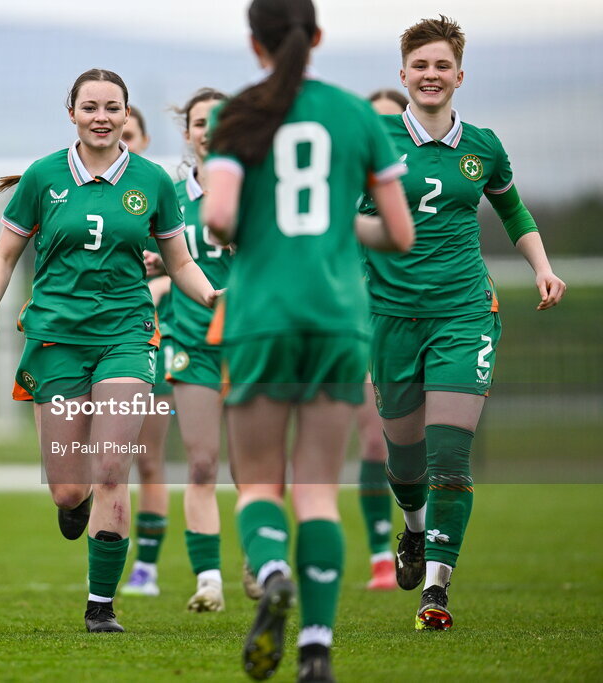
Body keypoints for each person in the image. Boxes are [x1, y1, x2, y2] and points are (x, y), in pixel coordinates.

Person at [202, 0, 414, 677]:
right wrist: (332, 229)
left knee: (261, 482)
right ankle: (316, 645)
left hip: (261, 315)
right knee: (318, 488)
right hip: (338, 317)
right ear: (316, 37)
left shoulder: (234, 113)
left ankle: (269, 569)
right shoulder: (359, 115)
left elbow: (220, 219)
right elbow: (400, 234)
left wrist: (257, 229)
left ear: (253, 43)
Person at [0, 68, 219, 633]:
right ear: (73, 113)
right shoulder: (44, 176)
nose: (102, 117)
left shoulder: (152, 181)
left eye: (113, 108)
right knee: (69, 487)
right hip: (56, 341)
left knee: (111, 468)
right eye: (90, 107)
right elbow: (4, 257)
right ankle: (72, 503)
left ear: (127, 115)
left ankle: (101, 606)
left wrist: (212, 295)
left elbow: (179, 262)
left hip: (128, 336)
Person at [362, 15, 565, 631]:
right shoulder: (370, 142)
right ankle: (415, 530)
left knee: (451, 457)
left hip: (464, 312)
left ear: (459, 75)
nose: (431, 75)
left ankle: (436, 591)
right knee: (405, 464)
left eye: (441, 65)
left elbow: (513, 208)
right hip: (390, 319)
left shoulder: (483, 144)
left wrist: (543, 267)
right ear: (403, 75)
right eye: (420, 65)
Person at [163, 88, 233, 612]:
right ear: (187, 132)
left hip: (252, 340)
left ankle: (261, 560)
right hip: (192, 339)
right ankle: (209, 580)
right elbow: (159, 249)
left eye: (220, 120)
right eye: (200, 121)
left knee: (257, 466)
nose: (209, 128)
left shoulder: (262, 192)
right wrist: (153, 261)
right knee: (203, 463)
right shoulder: (170, 194)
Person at [355, 89, 411, 592]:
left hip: (422, 318)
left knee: (419, 448)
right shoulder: (351, 186)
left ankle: (420, 536)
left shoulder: (417, 190)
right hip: (364, 324)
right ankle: (379, 554)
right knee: (374, 442)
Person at [118, 105, 175, 599]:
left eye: (131, 135)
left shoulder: (156, 193)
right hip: (99, 339)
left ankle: (147, 568)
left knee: (150, 460)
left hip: (159, 342)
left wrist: (159, 282)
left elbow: (189, 265)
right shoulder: (77, 193)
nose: (123, 141)